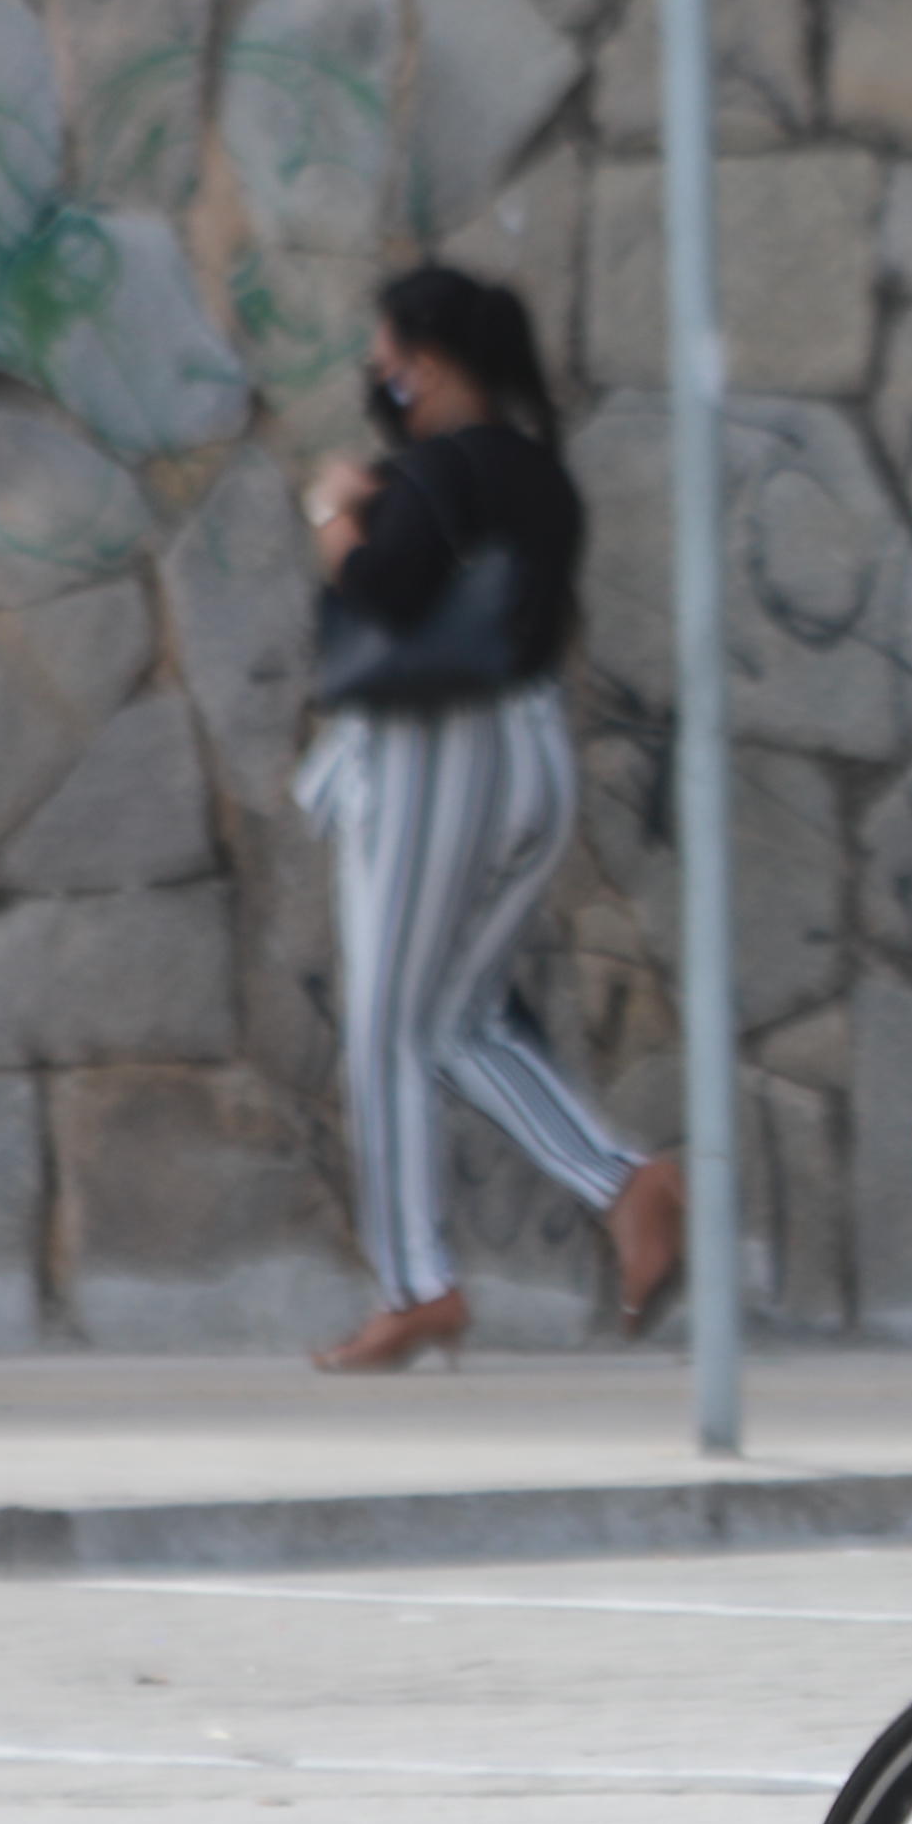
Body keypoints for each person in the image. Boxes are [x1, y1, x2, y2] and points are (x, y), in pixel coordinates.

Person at [298, 267, 681, 1374]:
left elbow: (383, 593)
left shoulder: (432, 473)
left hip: (435, 763)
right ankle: (625, 1182)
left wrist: (336, 513)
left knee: (383, 1030)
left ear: (422, 360)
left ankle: (417, 1288)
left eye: (387, 353)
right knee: (455, 1020)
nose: (380, 373)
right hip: (528, 754)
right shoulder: (541, 475)